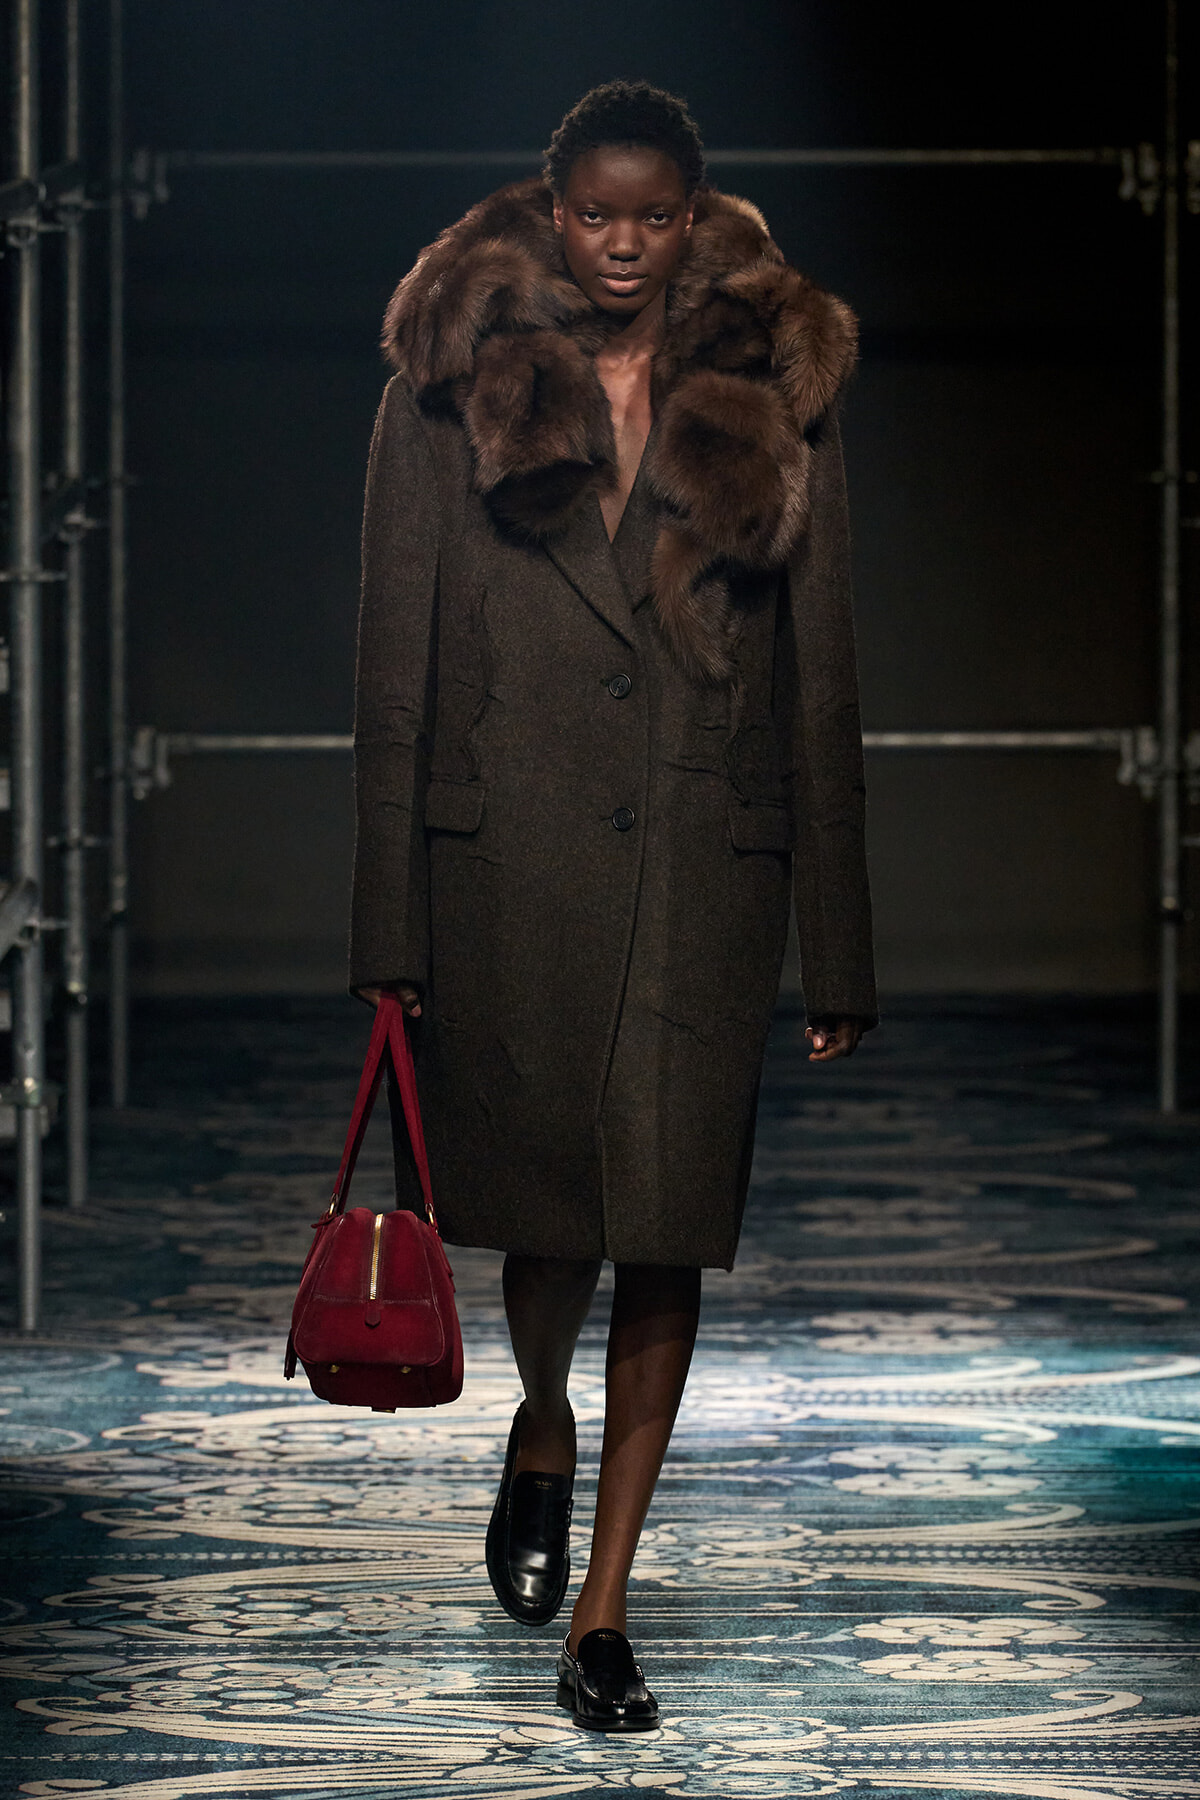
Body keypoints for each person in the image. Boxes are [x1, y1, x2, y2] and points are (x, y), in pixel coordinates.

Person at [351, 80, 876, 1732]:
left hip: (707, 865)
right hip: (508, 870)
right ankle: (538, 1421)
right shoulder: (453, 385)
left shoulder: (773, 390)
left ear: (695, 213)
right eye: (595, 214)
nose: (624, 245)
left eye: (653, 217)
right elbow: (395, 669)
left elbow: (821, 659)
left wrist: (836, 931)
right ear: (553, 206)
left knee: (666, 1231)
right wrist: (390, 938)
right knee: (556, 1224)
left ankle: (604, 1608)